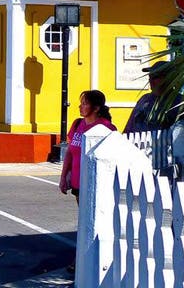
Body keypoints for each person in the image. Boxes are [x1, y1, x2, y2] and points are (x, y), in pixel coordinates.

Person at [59, 89, 116, 274]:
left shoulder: (107, 128)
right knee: (84, 221)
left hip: (95, 184)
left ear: (96, 108)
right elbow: (70, 152)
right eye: (81, 103)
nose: (80, 106)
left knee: (90, 222)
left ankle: (81, 260)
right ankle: (82, 258)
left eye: (85, 103)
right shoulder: (78, 124)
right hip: (78, 183)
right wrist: (63, 176)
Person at [124, 60, 184, 133]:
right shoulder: (144, 100)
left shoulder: (179, 103)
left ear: (168, 78)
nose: (150, 80)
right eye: (150, 76)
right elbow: (129, 129)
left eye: (155, 77)